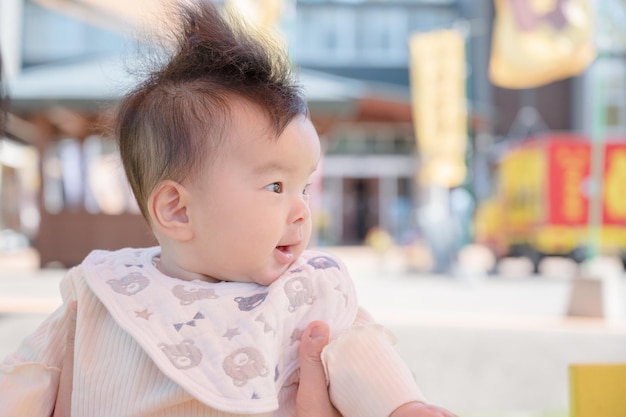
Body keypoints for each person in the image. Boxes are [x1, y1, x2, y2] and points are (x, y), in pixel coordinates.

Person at [0, 1, 456, 416]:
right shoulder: (102, 295)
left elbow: (361, 354)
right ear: (177, 210)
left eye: (304, 186)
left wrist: (403, 406)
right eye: (276, 185)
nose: (301, 211)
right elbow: (27, 377)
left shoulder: (308, 294)